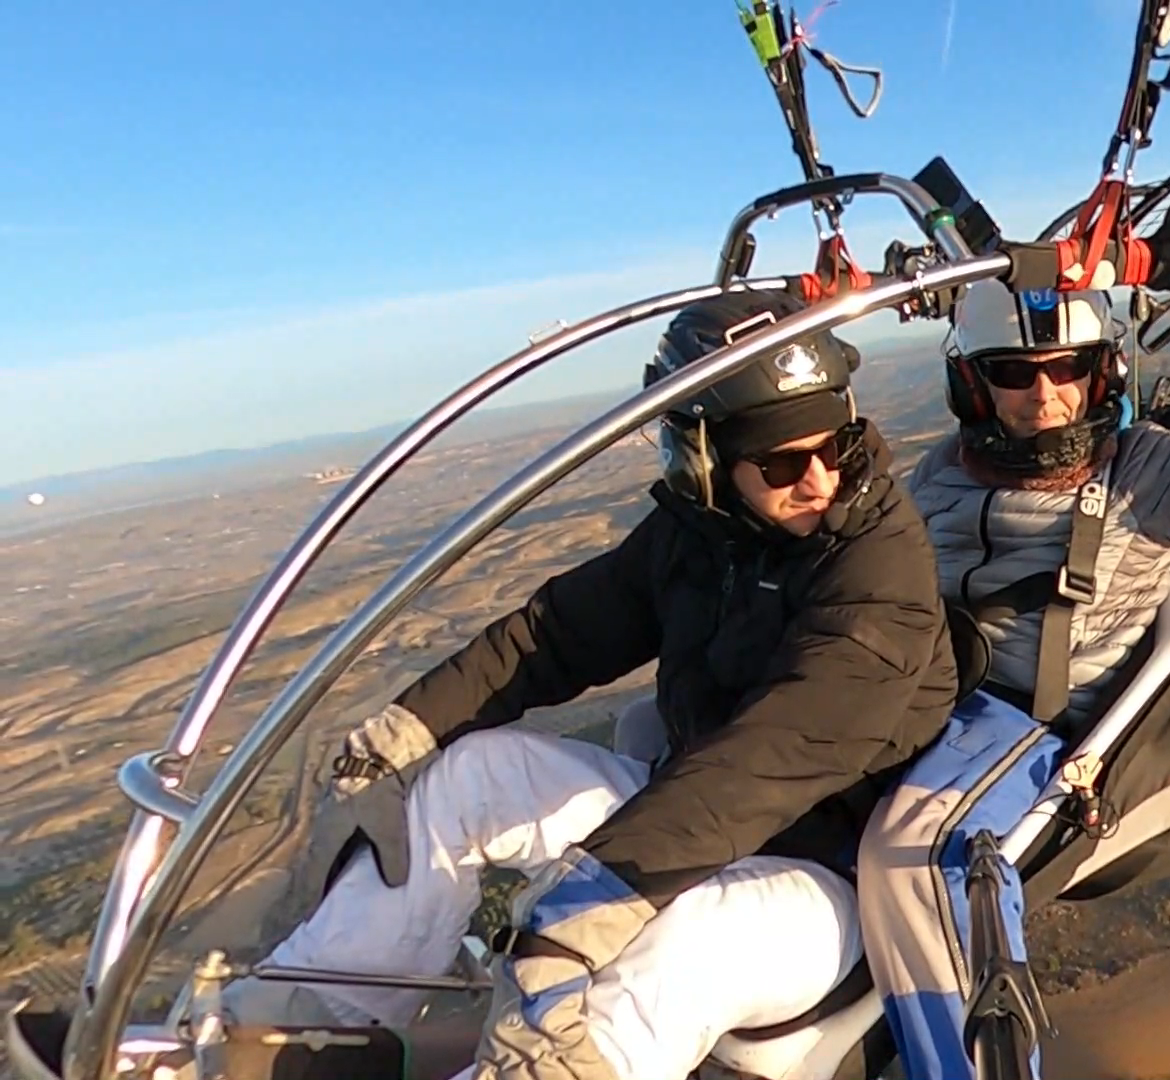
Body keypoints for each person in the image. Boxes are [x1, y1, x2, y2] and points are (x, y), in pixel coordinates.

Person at [222, 286, 960, 1080]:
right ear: (707, 460)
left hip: (825, 879)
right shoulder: (706, 536)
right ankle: (298, 1036)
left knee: (682, 941)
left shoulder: (879, 576)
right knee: (473, 774)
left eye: (838, 449)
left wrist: (582, 910)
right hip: (693, 825)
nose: (818, 480)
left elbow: (766, 761)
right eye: (781, 461)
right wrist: (412, 727)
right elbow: (556, 636)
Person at [855, 138, 1170, 1079]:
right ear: (974, 383)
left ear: (1103, 374)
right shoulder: (930, 476)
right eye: (1016, 374)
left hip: (1032, 741)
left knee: (912, 858)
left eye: (1069, 369)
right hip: (909, 703)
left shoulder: (1149, 479)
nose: (1047, 396)